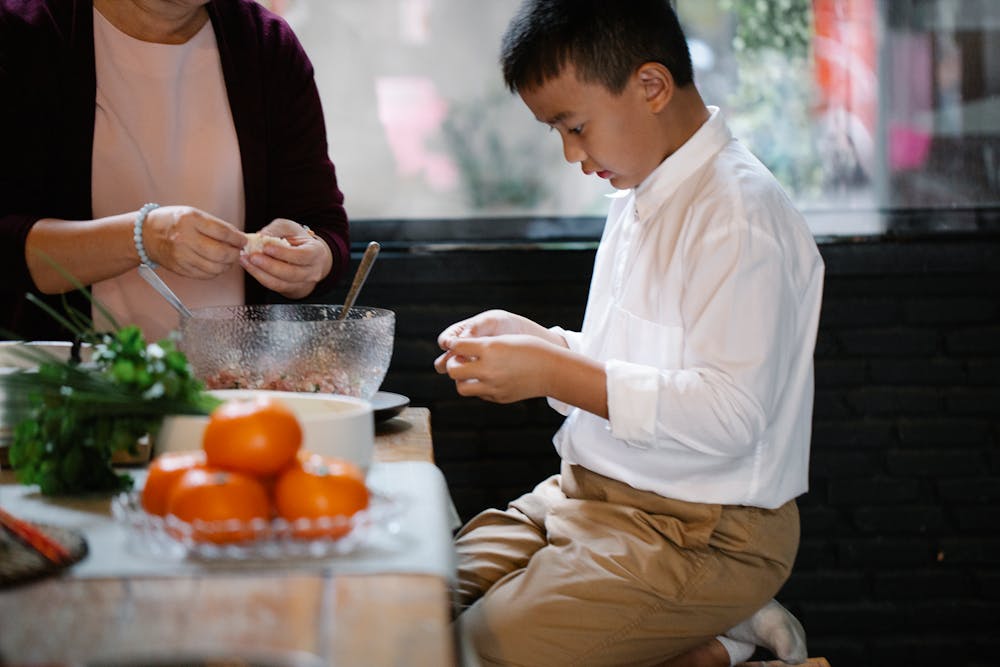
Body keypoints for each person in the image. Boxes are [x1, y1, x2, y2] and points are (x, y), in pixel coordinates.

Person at [434, 1, 825, 665]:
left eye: (575, 126)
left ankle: (720, 629)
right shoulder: (639, 192)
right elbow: (632, 369)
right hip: (587, 495)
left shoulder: (739, 214)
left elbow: (730, 413)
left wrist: (553, 372)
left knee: (473, 651)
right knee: (410, 599)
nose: (569, 152)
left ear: (651, 86)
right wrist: (545, 345)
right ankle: (698, 629)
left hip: (704, 530)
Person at [0, 0, 349, 342]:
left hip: (228, 384)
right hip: (60, 385)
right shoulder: (21, 32)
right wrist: (145, 237)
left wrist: (311, 259)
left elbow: (324, 227)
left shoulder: (265, 44)